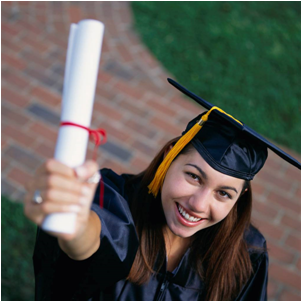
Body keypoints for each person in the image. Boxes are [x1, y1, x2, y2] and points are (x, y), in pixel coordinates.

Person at [24, 78, 301, 301]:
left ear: (240, 198)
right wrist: (74, 221)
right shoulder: (116, 197)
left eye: (223, 193)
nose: (199, 204)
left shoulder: (248, 254)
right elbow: (94, 236)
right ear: (170, 155)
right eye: (194, 176)